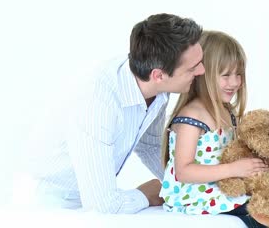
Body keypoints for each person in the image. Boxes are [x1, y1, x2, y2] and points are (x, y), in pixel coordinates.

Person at [26, 13, 205, 214]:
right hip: (52, 205)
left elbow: (149, 145)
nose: (202, 71)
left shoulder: (158, 87)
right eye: (193, 67)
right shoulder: (97, 103)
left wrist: (190, 186)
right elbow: (102, 205)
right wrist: (146, 193)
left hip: (96, 200)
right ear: (158, 75)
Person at [159, 30, 269, 228]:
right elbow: (183, 172)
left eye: (238, 75)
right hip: (195, 193)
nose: (234, 82)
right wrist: (233, 169)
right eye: (225, 75)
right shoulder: (192, 116)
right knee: (261, 218)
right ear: (202, 73)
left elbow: (233, 154)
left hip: (223, 186)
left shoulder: (227, 112)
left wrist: (262, 164)